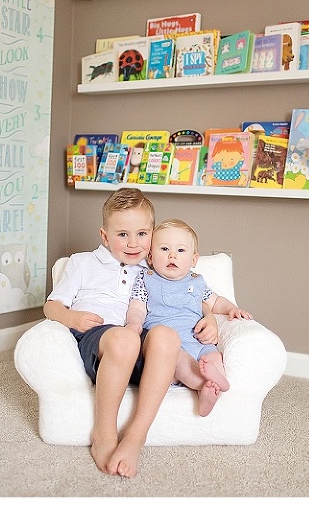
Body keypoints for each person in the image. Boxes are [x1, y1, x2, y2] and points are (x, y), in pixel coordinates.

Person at [44, 188, 184, 479]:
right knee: (125, 338)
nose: (133, 243)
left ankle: (135, 435)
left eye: (142, 234)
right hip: (99, 339)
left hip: (137, 338)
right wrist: (71, 317)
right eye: (122, 235)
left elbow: (192, 291)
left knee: (167, 337)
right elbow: (51, 306)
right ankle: (105, 435)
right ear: (105, 236)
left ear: (152, 234)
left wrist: (212, 315)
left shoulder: (153, 266)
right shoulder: (82, 262)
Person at [127, 218, 253, 417]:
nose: (172, 256)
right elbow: (137, 306)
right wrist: (134, 323)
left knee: (213, 357)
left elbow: (215, 301)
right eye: (164, 249)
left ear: (193, 260)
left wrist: (232, 309)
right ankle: (206, 385)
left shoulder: (197, 282)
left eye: (180, 251)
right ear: (150, 257)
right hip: (169, 344)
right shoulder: (146, 279)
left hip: (197, 339)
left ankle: (210, 389)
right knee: (178, 361)